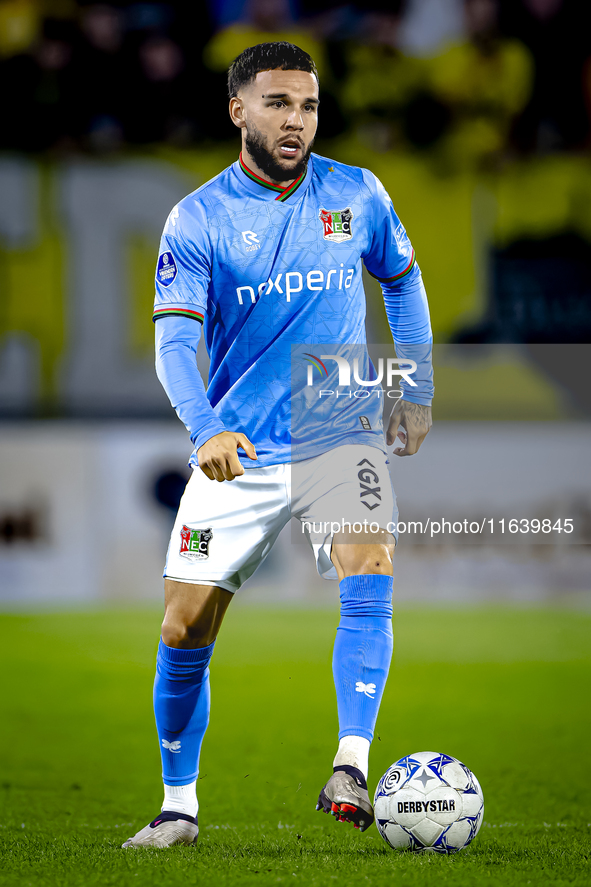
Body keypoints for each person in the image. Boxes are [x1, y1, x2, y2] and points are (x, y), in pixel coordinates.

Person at [122, 41, 433, 849]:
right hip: (241, 444)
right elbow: (170, 345)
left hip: (336, 417)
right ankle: (177, 805)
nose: (295, 119)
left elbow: (400, 277)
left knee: (370, 563)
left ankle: (351, 763)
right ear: (238, 110)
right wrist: (204, 428)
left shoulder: (355, 192)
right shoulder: (198, 217)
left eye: (308, 105)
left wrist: (416, 385)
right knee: (184, 628)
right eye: (277, 103)